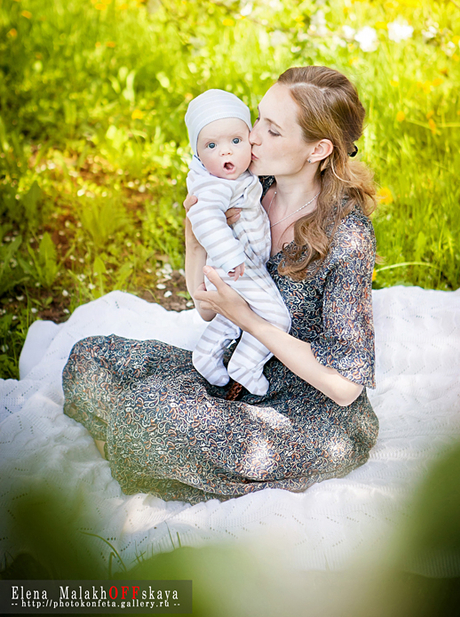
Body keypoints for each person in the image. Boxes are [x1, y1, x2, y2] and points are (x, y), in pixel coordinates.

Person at [62, 65, 379, 503]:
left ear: (318, 149)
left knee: (148, 415)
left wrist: (248, 319)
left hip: (304, 413)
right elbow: (207, 308)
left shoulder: (347, 235)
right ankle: (154, 452)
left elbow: (345, 388)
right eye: (257, 119)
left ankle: (146, 448)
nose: (252, 138)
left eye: (272, 130)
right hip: (232, 375)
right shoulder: (247, 189)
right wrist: (195, 240)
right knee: (89, 358)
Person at [184, 88, 291, 395]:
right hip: (237, 264)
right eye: (211, 145)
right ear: (197, 154)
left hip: (238, 263)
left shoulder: (241, 178)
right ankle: (246, 364)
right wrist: (231, 256)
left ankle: (206, 355)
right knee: (276, 318)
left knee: (233, 318)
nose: (226, 152)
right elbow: (204, 217)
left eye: (235, 140)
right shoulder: (214, 185)